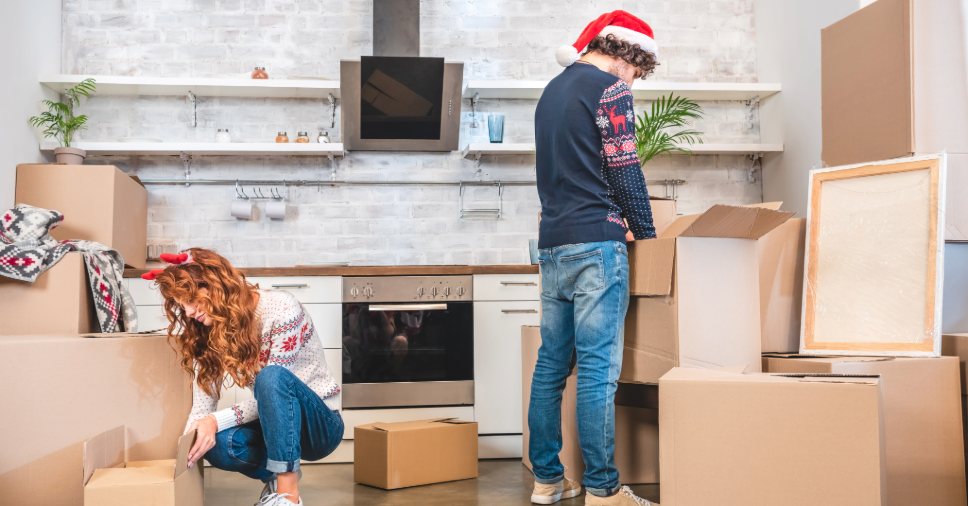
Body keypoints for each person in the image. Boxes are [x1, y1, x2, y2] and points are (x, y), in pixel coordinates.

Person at [529, 10, 660, 506]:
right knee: (598, 371)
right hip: (598, 245)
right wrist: (645, 234)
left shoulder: (551, 92)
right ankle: (604, 490)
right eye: (638, 70)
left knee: (551, 367)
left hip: (554, 244)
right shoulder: (609, 89)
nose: (636, 80)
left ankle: (547, 482)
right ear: (625, 54)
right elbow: (625, 168)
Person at [143, 248, 343, 506]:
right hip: (274, 425)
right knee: (212, 444)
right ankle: (275, 476)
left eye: (191, 299)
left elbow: (275, 390)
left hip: (319, 425)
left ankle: (288, 496)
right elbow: (203, 407)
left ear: (215, 285)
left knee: (270, 378)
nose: (189, 312)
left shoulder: (281, 308)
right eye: (182, 306)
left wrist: (214, 421)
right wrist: (183, 457)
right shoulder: (212, 327)